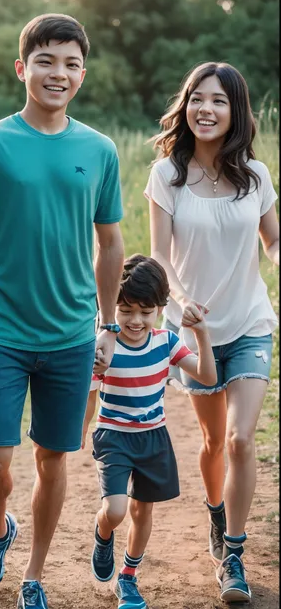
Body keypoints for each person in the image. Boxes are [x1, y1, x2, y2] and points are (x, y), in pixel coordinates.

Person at [0, 13, 124, 608]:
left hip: (71, 334)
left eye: (71, 63)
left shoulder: (99, 150)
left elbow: (111, 243)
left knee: (53, 456)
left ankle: (34, 576)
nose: (59, 72)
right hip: (2, 328)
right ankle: (0, 531)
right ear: (23, 68)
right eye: (46, 60)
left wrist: (106, 324)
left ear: (83, 75)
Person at [145, 61, 279, 603]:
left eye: (220, 100)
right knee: (211, 441)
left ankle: (236, 556)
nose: (207, 109)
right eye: (198, 98)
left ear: (236, 111)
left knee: (240, 439)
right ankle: (216, 516)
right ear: (186, 105)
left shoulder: (258, 174)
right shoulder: (167, 175)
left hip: (249, 322)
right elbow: (158, 253)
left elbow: (274, 242)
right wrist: (178, 299)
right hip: (195, 331)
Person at [81, 254, 216, 609]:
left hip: (153, 438)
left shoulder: (166, 343)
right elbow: (91, 397)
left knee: (143, 512)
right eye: (125, 310)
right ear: (110, 308)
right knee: (115, 509)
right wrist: (80, 432)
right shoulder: (104, 350)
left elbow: (206, 377)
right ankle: (103, 532)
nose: (136, 320)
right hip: (113, 436)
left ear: (160, 308)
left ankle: (128, 578)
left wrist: (201, 334)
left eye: (146, 310)